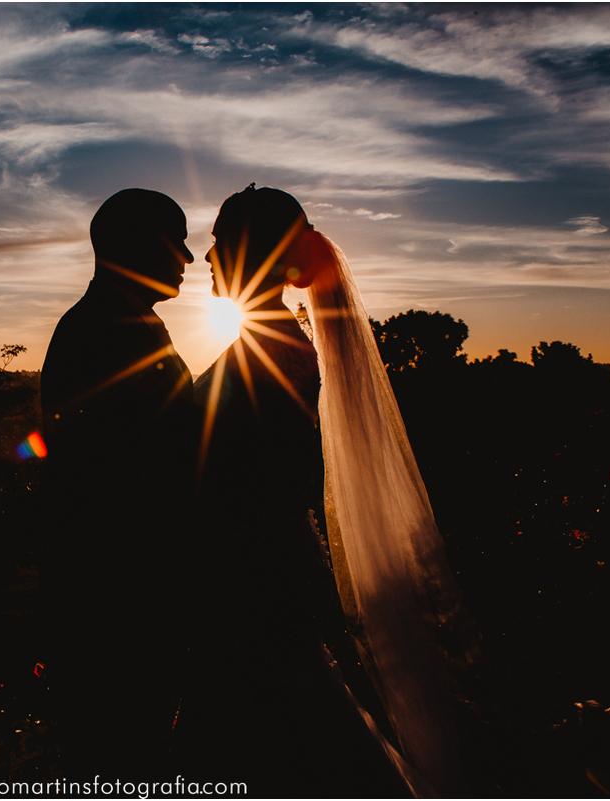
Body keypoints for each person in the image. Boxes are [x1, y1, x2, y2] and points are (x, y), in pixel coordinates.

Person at [180, 185, 476, 797]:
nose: (206, 257)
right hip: (256, 557)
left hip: (254, 565)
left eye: (217, 242)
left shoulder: (277, 349)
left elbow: (257, 469)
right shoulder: (268, 341)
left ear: (248, 255)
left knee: (278, 723)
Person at [39, 188, 199, 780]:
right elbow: (140, 474)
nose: (186, 258)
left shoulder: (122, 322)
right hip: (120, 605)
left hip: (119, 598)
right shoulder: (107, 331)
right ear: (137, 246)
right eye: (175, 241)